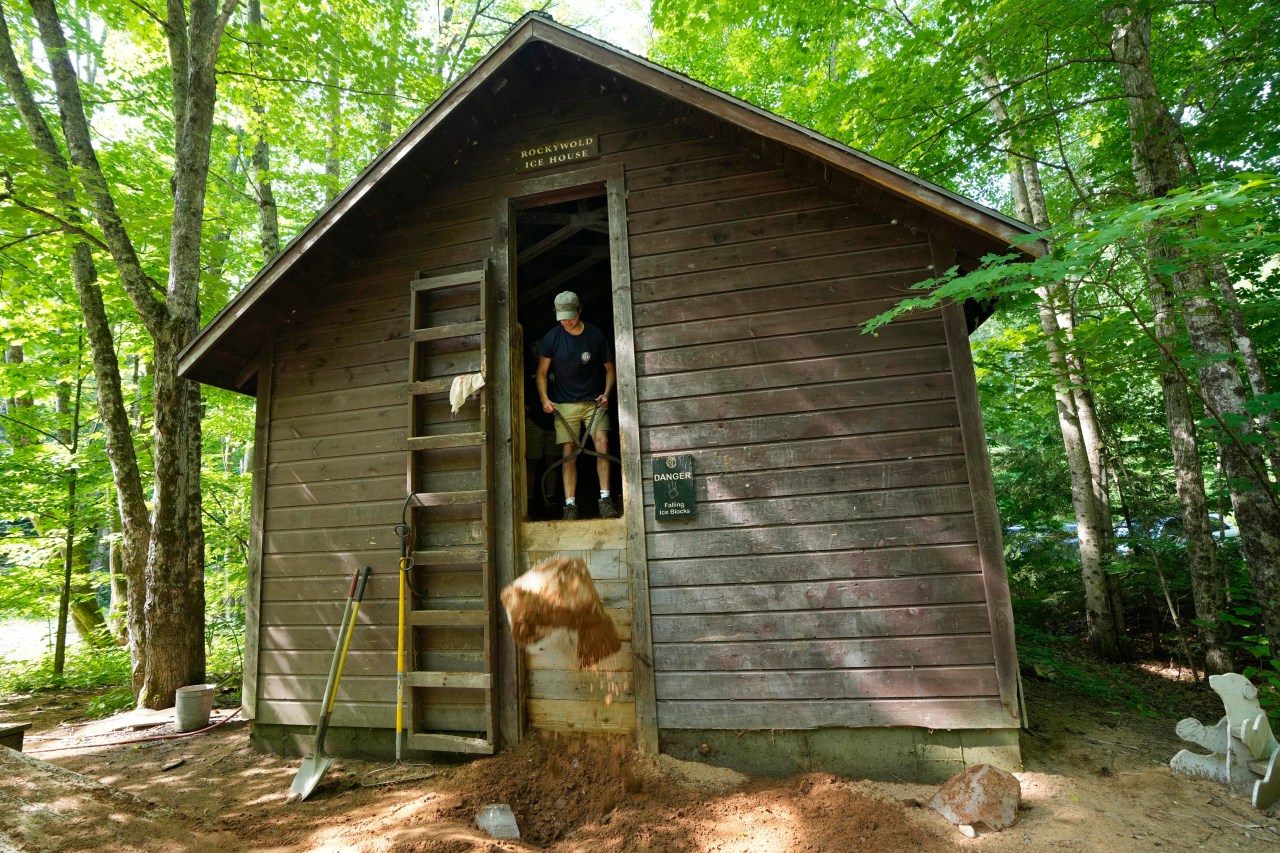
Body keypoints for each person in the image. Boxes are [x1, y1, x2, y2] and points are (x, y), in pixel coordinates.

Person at [536, 291, 617, 520]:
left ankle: (605, 499)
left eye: (570, 317)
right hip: (564, 405)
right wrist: (545, 399)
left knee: (602, 444)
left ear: (579, 311)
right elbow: (541, 372)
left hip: (593, 402)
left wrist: (606, 393)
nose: (566, 322)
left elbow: (610, 369)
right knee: (568, 451)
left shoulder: (595, 336)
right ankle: (570, 505)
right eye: (562, 317)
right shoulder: (552, 338)